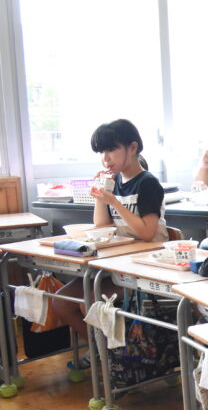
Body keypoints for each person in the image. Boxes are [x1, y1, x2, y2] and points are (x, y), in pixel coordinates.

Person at [53, 119, 168, 344]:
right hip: (117, 264)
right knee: (61, 301)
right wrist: (100, 195)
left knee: (92, 300)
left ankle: (114, 360)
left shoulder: (147, 183)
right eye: (102, 151)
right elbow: (103, 227)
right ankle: (103, 356)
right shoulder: (115, 181)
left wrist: (114, 202)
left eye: (111, 149)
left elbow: (147, 233)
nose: (105, 158)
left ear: (132, 148)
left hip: (144, 266)